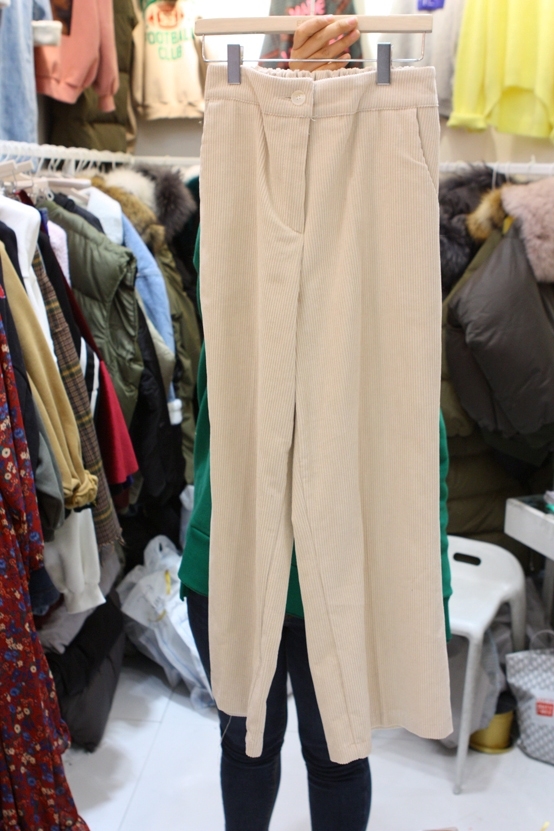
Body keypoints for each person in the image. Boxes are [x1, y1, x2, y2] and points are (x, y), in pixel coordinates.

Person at [180, 16, 452, 831]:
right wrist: (273, 107)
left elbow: (410, 429)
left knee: (335, 751)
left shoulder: (385, 168)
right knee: (253, 743)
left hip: (354, 538)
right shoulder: (236, 172)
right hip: (234, 540)